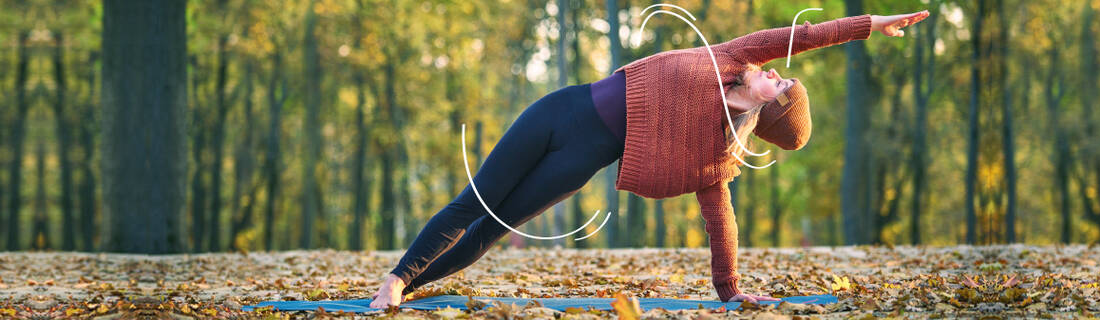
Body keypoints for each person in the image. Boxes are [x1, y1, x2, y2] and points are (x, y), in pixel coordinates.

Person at [370, 10, 930, 308]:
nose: (776, 71)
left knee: (491, 229)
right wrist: (870, 25)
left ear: (773, 113)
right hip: (560, 111)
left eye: (781, 85)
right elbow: (804, 34)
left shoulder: (719, 154)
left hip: (580, 161)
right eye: (781, 72)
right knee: (476, 201)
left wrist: (730, 290)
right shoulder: (734, 57)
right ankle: (397, 280)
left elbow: (721, 221)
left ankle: (410, 289)